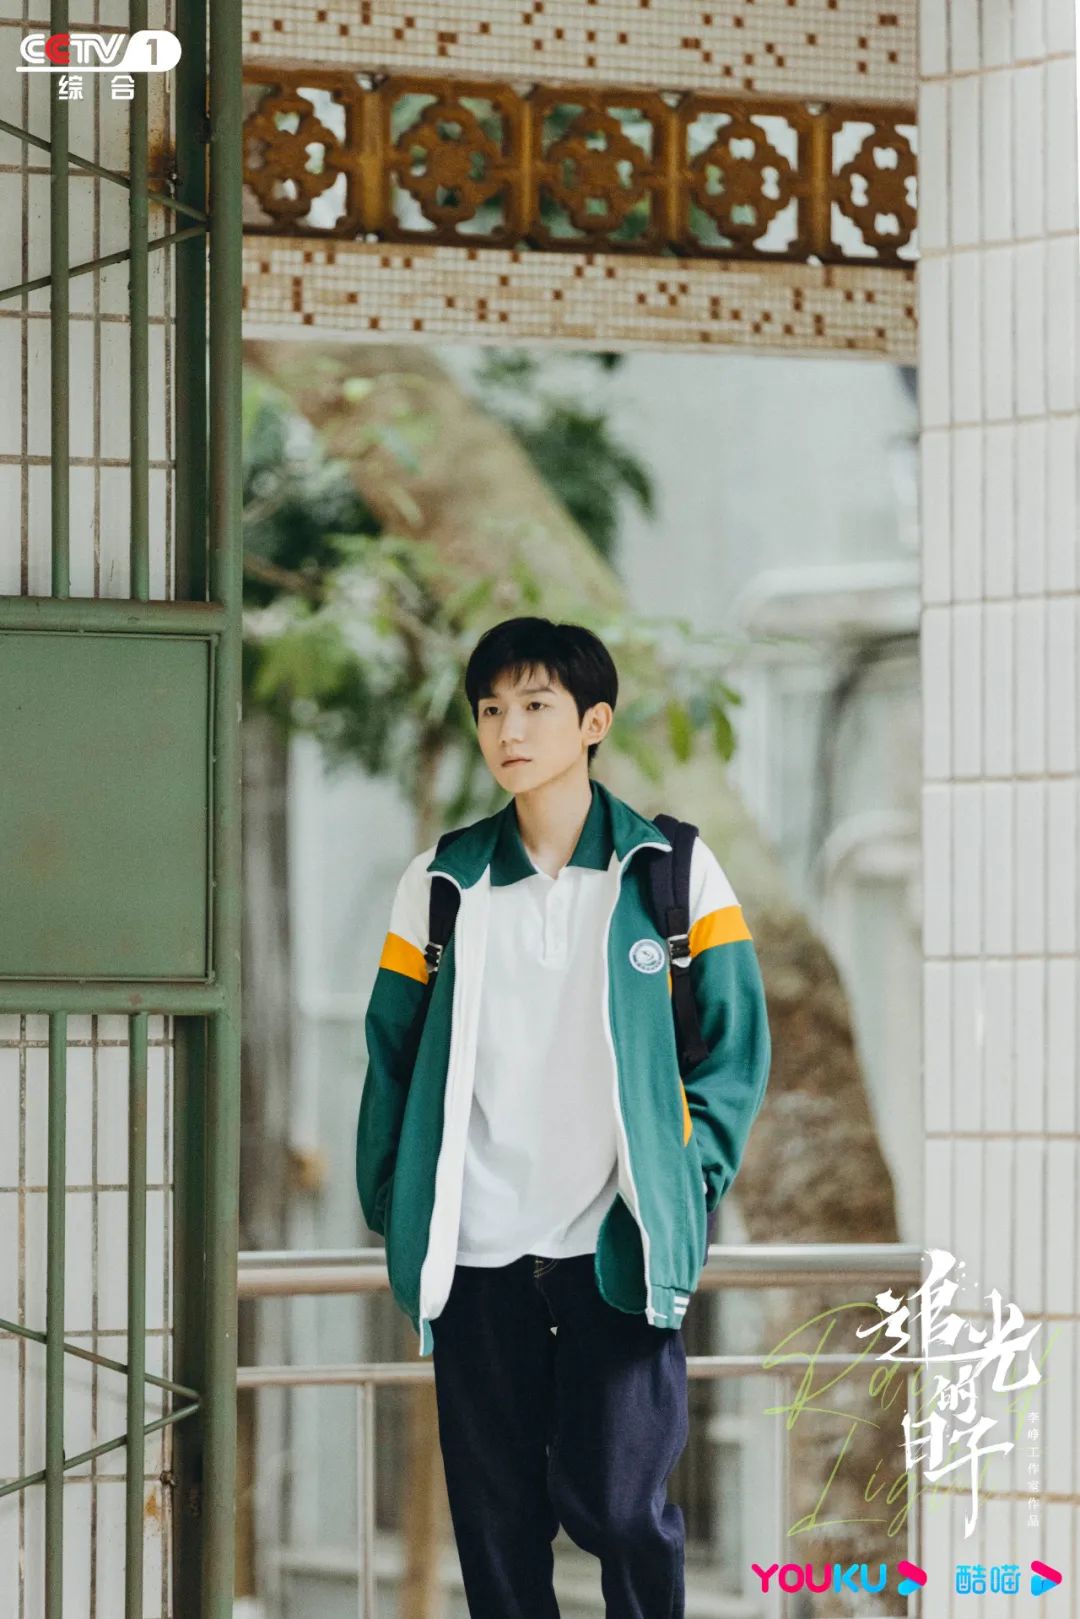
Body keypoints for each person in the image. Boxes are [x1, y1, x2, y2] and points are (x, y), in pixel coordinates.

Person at [356, 615, 772, 1619]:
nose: (509, 729)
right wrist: (398, 1202)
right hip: (479, 1257)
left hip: (615, 1248)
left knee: (622, 1507)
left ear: (594, 721)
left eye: (536, 704)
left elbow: (735, 1046)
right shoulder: (443, 883)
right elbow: (389, 1057)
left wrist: (687, 1178)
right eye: (491, 708)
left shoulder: (670, 870)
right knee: (497, 1535)